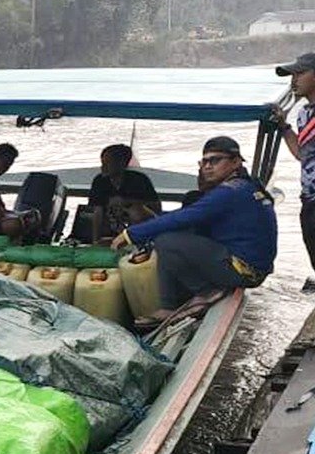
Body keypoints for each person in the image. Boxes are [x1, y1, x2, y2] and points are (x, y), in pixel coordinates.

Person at [112, 136, 276, 328]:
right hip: (251, 267)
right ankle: (181, 300)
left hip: (243, 269)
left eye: (215, 160)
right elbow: (187, 218)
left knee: (166, 241)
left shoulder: (229, 192)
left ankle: (203, 292)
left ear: (235, 162)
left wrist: (130, 234)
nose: (207, 166)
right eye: (204, 161)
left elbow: (185, 217)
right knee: (174, 237)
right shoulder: (247, 185)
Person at [270, 52, 315, 293]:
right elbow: (302, 154)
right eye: (292, 75)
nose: (293, 80)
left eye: (299, 74)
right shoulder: (305, 114)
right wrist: (284, 126)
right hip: (308, 196)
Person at [88, 144, 160, 243]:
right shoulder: (99, 181)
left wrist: (128, 203)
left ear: (122, 163)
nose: (103, 167)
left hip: (139, 227)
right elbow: (97, 211)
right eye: (102, 162)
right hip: (111, 226)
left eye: (108, 163)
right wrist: (95, 240)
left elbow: (156, 207)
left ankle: (135, 239)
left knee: (135, 211)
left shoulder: (139, 180)